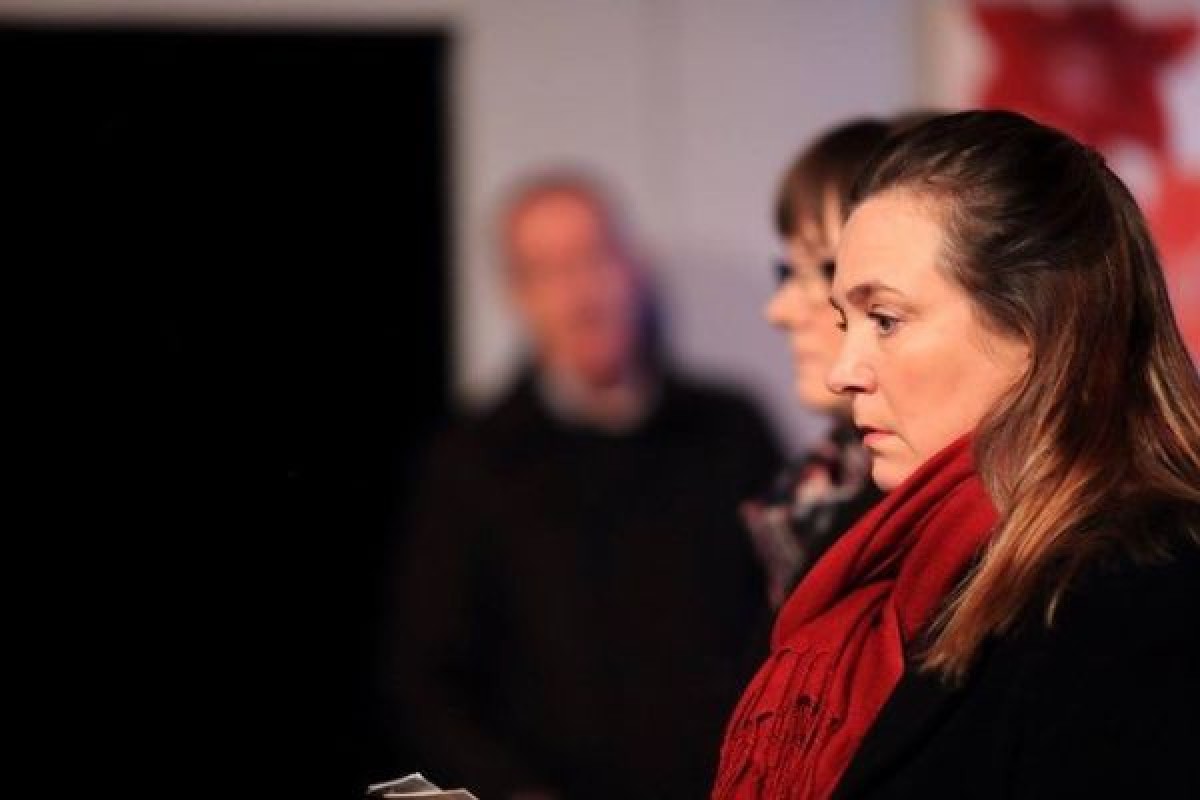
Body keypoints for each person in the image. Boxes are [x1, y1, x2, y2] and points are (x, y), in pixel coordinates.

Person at [712, 109, 1200, 799]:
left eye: (886, 320)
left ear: (1035, 329)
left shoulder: (1140, 600)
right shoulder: (878, 564)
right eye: (847, 322)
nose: (844, 371)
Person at [389, 172, 782, 800]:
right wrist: (512, 788)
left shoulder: (731, 432)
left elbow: (787, 624)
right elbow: (426, 677)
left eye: (594, 256)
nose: (581, 292)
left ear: (633, 267)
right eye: (548, 271)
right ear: (517, 294)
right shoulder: (473, 462)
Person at [744, 118, 899, 610]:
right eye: (789, 271)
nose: (779, 311)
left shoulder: (915, 518)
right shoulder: (814, 496)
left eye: (824, 269)